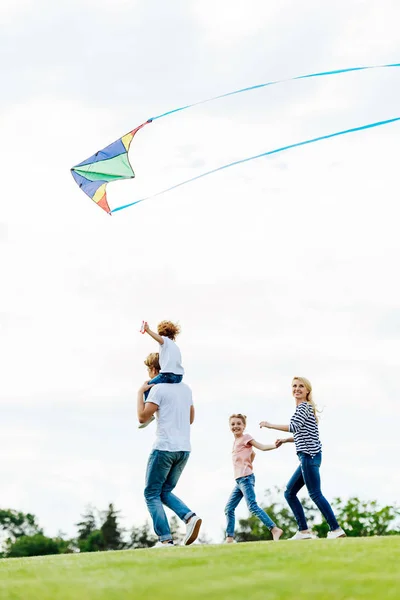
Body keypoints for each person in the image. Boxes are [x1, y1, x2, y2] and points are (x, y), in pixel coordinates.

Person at [259, 377, 346, 540]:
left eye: (301, 386)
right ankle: (303, 531)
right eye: (294, 386)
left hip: (309, 456)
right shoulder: (304, 409)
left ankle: (335, 529)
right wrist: (285, 440)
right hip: (308, 457)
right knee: (289, 492)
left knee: (315, 493)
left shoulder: (304, 407)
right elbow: (304, 433)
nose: (297, 389)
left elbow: (293, 427)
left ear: (307, 391)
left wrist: (269, 424)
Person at [137, 352, 201, 548]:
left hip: (164, 448)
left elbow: (142, 417)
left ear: (155, 370)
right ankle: (189, 517)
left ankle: (165, 539)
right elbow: (190, 419)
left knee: (151, 493)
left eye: (149, 370)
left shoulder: (158, 390)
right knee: (164, 491)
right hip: (184, 450)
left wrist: (140, 393)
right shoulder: (186, 389)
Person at [225, 413, 283, 543]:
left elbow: (260, 447)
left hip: (245, 478)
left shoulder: (246, 437)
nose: (236, 426)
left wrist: (274, 446)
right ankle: (229, 538)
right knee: (229, 508)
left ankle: (274, 529)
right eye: (233, 424)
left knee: (252, 506)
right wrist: (248, 462)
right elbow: (253, 454)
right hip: (239, 480)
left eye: (239, 424)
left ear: (244, 426)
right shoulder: (235, 442)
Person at [139, 320, 184, 429]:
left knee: (149, 386)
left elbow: (159, 339)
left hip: (168, 374)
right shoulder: (175, 347)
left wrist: (148, 330)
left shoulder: (165, 342)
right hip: (178, 377)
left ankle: (149, 414)